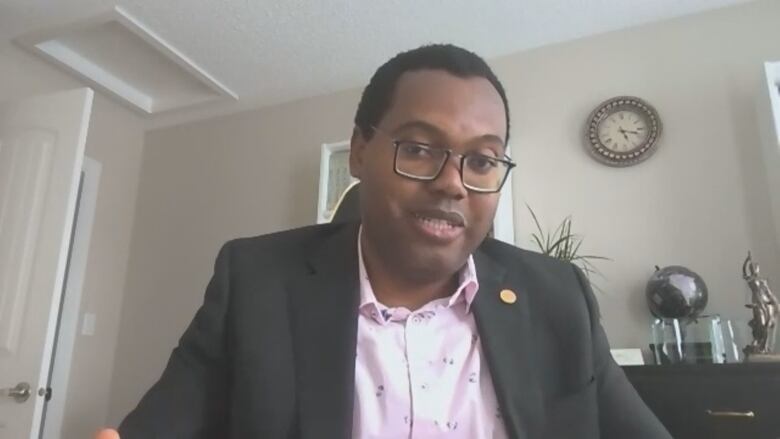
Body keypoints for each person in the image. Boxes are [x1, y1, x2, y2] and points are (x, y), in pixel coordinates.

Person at [103, 44, 671, 438]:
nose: (454, 182)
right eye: (420, 148)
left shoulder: (556, 296)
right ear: (359, 151)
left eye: (481, 160)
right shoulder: (256, 282)